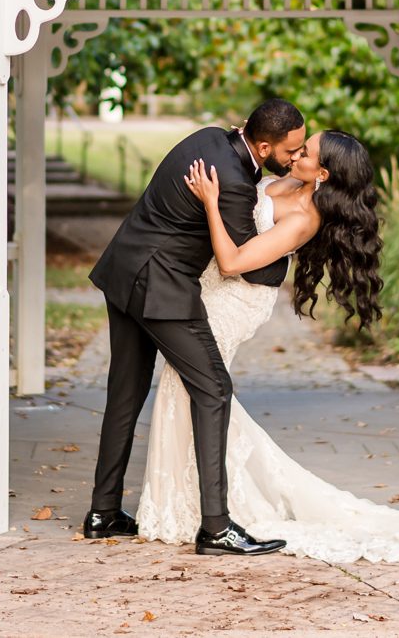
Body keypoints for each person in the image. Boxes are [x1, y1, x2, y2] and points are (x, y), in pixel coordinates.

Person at [135, 130, 399, 564]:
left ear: (323, 172)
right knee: (187, 389)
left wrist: (208, 203)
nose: (295, 154)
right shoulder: (290, 182)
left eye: (305, 152)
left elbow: (233, 262)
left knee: (189, 388)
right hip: (213, 293)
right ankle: (193, 507)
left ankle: (205, 512)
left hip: (234, 301)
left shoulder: (304, 218)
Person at [85, 99, 308, 556]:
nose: (294, 158)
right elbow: (241, 266)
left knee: (125, 393)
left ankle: (103, 512)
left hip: (122, 268)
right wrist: (281, 262)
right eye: (291, 151)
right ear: (263, 145)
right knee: (214, 389)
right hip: (161, 289)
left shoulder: (212, 138)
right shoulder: (232, 184)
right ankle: (216, 527)